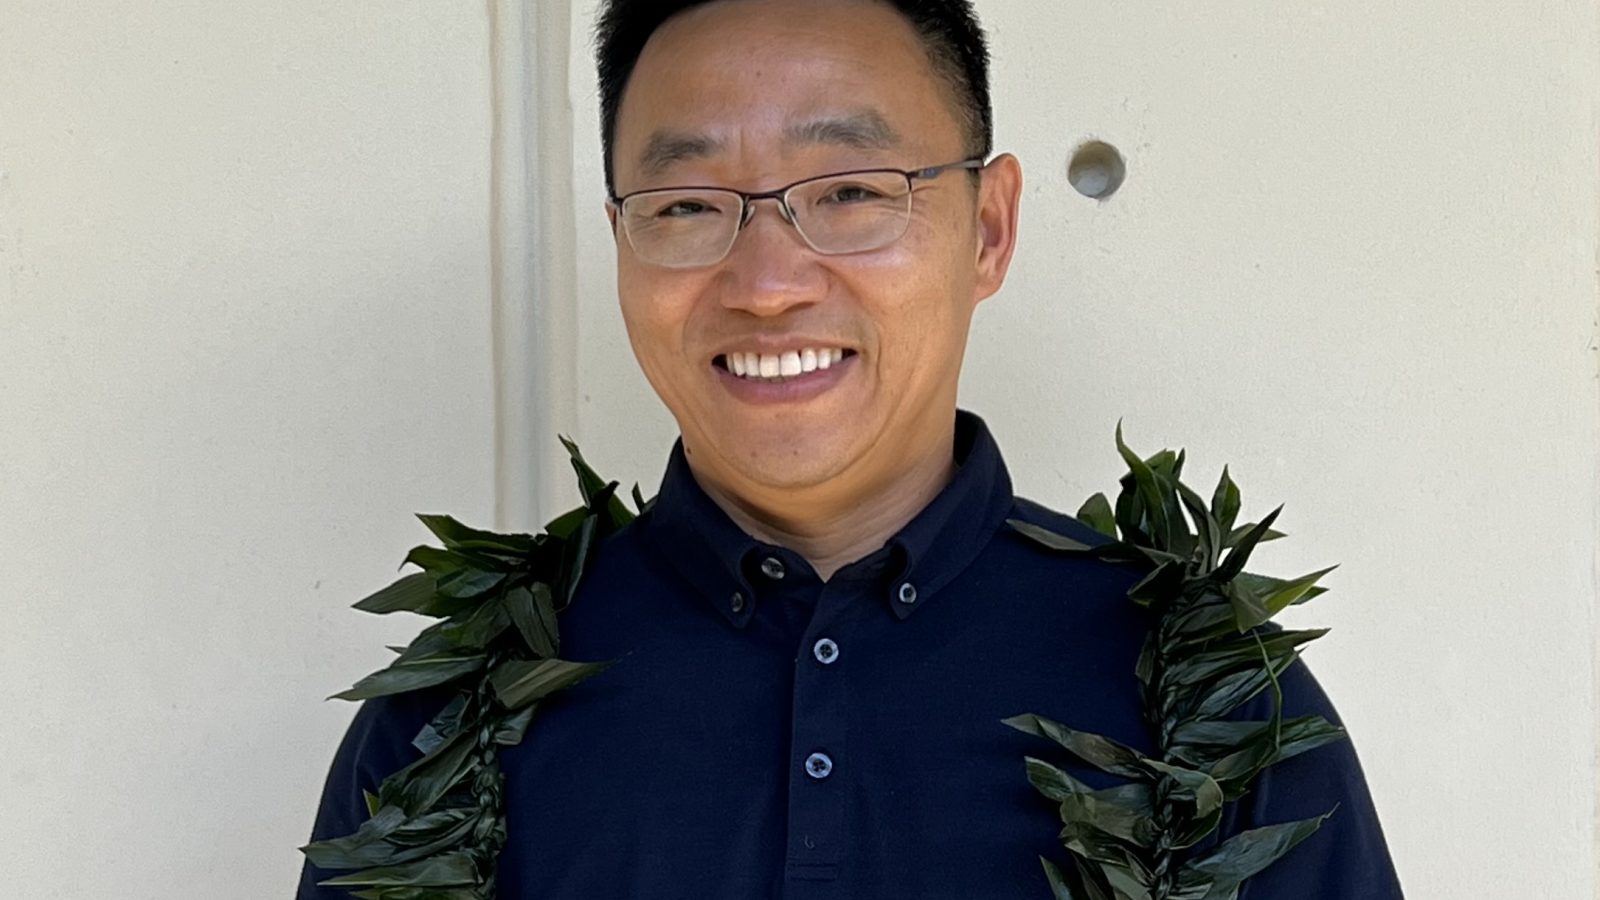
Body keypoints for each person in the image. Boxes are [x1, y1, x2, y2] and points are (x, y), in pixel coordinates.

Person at [298, 0, 1404, 896]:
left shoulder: (1211, 699)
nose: (769, 284)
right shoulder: (458, 710)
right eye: (686, 205)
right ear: (622, 241)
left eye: (851, 192)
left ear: (987, 229)